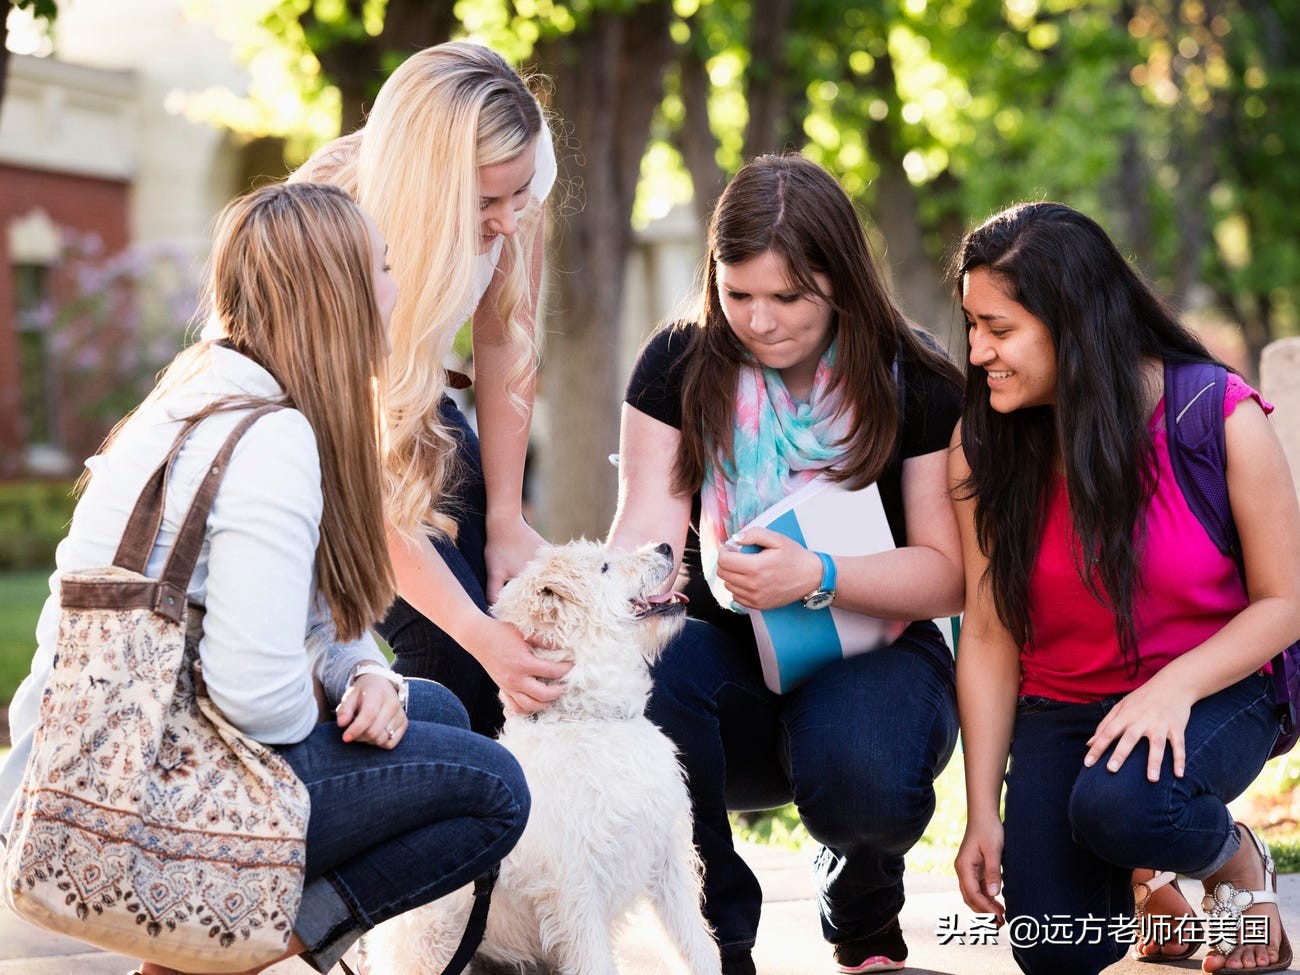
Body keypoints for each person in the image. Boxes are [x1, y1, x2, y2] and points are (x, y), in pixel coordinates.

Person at [0, 182, 530, 975]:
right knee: (495, 789)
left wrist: (366, 677)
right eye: (383, 268)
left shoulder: (195, 399)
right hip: (142, 815)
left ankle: (195, 960)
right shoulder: (271, 438)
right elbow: (256, 698)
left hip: (65, 791)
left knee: (437, 707)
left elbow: (315, 619)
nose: (398, 287)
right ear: (337, 295)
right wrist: (332, 694)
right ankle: (224, 952)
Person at [606, 154, 965, 975]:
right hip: (733, 654)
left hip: (877, 645)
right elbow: (646, 535)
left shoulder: (913, 377)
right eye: (738, 295)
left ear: (838, 280)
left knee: (864, 781)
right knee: (650, 669)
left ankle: (867, 919)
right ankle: (720, 939)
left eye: (787, 297)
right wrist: (622, 608)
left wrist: (819, 575)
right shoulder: (679, 363)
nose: (759, 322)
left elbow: (946, 574)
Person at [949, 202, 1299, 975]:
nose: (977, 352)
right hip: (1064, 700)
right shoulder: (983, 446)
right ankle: (1150, 883)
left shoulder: (1215, 414)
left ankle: (1232, 862)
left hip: (1214, 685)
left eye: (999, 330)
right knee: (1056, 950)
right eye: (972, 325)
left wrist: (1173, 687)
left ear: (1071, 323)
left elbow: (1285, 601)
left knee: (1122, 803)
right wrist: (981, 811)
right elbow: (987, 629)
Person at [284, 41, 568, 736]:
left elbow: (505, 336)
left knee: (502, 630)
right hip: (312, 433)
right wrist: (473, 629)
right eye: (486, 202)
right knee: (459, 654)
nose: (508, 219)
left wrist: (506, 514)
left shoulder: (517, 166)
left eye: (519, 195)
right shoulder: (336, 223)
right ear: (428, 188)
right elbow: (364, 476)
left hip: (422, 400)